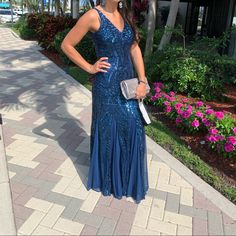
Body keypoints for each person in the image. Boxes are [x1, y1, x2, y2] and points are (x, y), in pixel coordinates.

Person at [61, 0, 149, 204]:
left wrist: (142, 80)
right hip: (106, 87)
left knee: (133, 126)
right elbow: (66, 44)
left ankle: (127, 179)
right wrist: (89, 67)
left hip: (127, 85)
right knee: (109, 131)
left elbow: (134, 48)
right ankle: (109, 180)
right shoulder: (93, 16)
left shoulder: (126, 14)